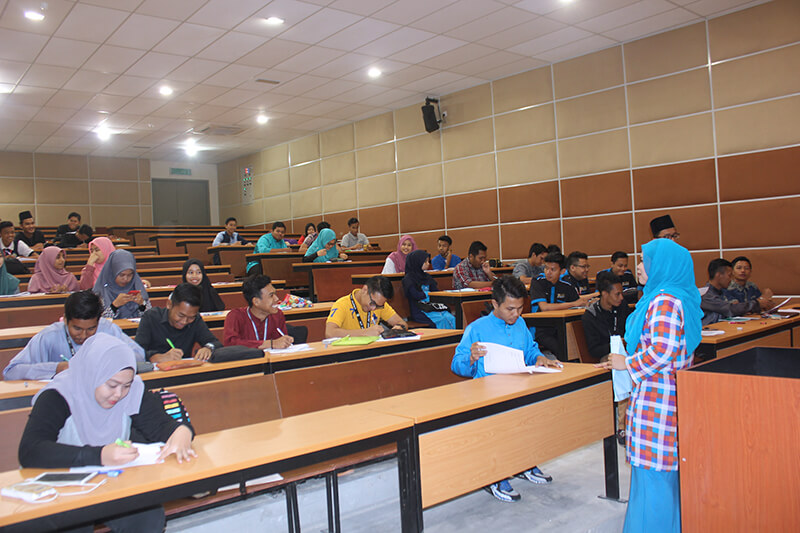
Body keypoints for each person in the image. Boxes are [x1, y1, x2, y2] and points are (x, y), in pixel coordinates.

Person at [18, 333, 194, 532]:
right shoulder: (59, 395)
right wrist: (100, 455)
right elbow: (31, 451)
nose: (118, 394)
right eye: (111, 385)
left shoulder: (132, 390)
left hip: (110, 482)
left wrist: (181, 432)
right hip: (62, 487)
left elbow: (161, 425)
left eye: (126, 386)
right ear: (93, 374)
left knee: (148, 514)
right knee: (75, 523)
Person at [597, 238, 702, 533]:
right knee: (664, 477)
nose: (640, 267)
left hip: (658, 398)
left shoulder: (664, 301)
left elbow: (662, 350)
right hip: (671, 393)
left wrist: (626, 363)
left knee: (652, 476)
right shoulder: (680, 297)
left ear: (663, 266)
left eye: (645, 261)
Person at [451, 276, 560, 502]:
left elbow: (530, 350)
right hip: (487, 394)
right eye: (510, 309)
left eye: (520, 308)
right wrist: (470, 358)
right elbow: (456, 365)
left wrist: (539, 357)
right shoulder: (476, 329)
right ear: (495, 304)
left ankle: (523, 462)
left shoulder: (520, 324)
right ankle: (494, 475)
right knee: (499, 424)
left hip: (518, 387)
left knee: (534, 417)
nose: (516, 314)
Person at [4, 290, 145, 380]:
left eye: (91, 329)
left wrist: (108, 359)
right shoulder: (49, 336)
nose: (83, 335)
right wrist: (56, 368)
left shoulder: (107, 329)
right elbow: (11, 372)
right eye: (77, 328)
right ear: (66, 320)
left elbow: (139, 356)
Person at [582, 271, 629, 443]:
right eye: (617, 294)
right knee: (622, 369)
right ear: (604, 294)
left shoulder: (623, 308)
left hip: (624, 352)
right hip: (604, 356)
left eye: (621, 293)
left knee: (629, 364)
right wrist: (616, 345)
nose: (621, 298)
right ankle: (622, 427)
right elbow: (594, 349)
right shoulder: (591, 315)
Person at [134, 283, 222, 364]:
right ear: (169, 304)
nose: (184, 321)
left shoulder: (196, 320)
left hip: (182, 371)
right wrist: (154, 357)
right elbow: (136, 351)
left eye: (191, 317)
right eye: (180, 315)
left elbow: (215, 343)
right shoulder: (151, 317)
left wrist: (208, 348)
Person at [529, 252, 595, 356]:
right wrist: (573, 304)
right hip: (540, 328)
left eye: (553, 269)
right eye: (546, 268)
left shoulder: (567, 286)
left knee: (581, 344)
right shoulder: (537, 281)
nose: (548, 272)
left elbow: (579, 305)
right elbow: (545, 307)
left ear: (562, 271)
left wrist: (587, 303)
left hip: (561, 328)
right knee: (562, 350)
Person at [223, 275, 293, 349]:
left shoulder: (278, 315)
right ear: (256, 301)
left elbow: (281, 343)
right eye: (271, 295)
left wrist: (286, 341)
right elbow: (230, 344)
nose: (277, 299)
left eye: (275, 294)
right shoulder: (235, 316)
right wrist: (270, 344)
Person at [326, 275, 408, 338]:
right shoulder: (342, 304)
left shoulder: (380, 305)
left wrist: (399, 328)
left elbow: (402, 323)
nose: (373, 308)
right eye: (372, 303)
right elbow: (329, 333)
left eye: (378, 306)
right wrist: (365, 332)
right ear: (365, 290)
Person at [402, 249, 456, 329]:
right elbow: (415, 295)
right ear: (417, 262)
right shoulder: (408, 279)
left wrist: (436, 294)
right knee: (441, 319)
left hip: (433, 306)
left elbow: (435, 291)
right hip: (420, 309)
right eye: (425, 262)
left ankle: (456, 336)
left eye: (428, 261)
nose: (428, 264)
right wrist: (429, 294)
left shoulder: (427, 277)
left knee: (450, 317)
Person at [700, 258, 761, 325]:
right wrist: (757, 304)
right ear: (719, 275)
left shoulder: (721, 292)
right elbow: (730, 309)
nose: (731, 279)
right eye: (729, 275)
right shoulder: (706, 295)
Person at [93, 249, 151, 319]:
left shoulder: (137, 286)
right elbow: (96, 320)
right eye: (121, 275)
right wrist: (114, 306)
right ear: (113, 272)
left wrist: (142, 305)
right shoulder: (101, 291)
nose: (125, 279)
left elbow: (150, 317)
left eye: (130, 275)